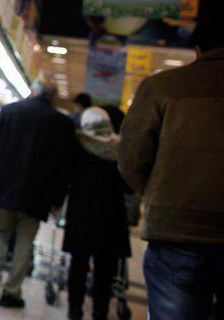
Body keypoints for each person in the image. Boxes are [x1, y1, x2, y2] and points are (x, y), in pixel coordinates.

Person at [119, 14, 224, 319]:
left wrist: (161, 195)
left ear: (197, 48)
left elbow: (131, 159)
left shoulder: (162, 87)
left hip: (178, 239)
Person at [0, 79, 75, 308]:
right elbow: (64, 167)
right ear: (53, 97)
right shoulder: (63, 123)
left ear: (33, 90)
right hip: (39, 194)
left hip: (6, 188)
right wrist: (57, 199)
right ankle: (12, 292)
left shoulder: (9, 112)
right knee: (25, 242)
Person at [63, 106, 131, 320]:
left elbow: (67, 177)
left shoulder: (77, 144)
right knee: (106, 268)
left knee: (78, 264)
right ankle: (100, 310)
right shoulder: (121, 149)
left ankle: (75, 308)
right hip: (112, 216)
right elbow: (129, 186)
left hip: (82, 213)